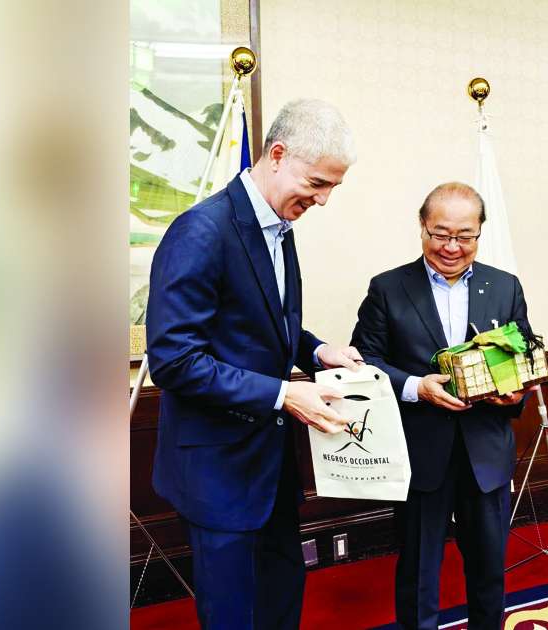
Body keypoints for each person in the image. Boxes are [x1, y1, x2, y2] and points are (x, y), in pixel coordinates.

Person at [146, 98, 365, 629]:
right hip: (218, 471)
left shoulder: (279, 228)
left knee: (279, 599)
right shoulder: (201, 231)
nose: (324, 199)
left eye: (333, 186)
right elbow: (174, 360)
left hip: (269, 468)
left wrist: (315, 350)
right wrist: (284, 394)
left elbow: (264, 327)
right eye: (317, 183)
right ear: (277, 154)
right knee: (234, 615)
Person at [351, 182, 533, 629]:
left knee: (490, 569)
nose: (452, 247)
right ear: (422, 226)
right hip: (420, 451)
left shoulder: (504, 286)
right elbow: (364, 361)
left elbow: (523, 355)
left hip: (486, 451)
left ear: (480, 232)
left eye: (464, 236)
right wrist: (416, 386)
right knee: (418, 571)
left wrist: (516, 392)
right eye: (440, 233)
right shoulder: (389, 288)